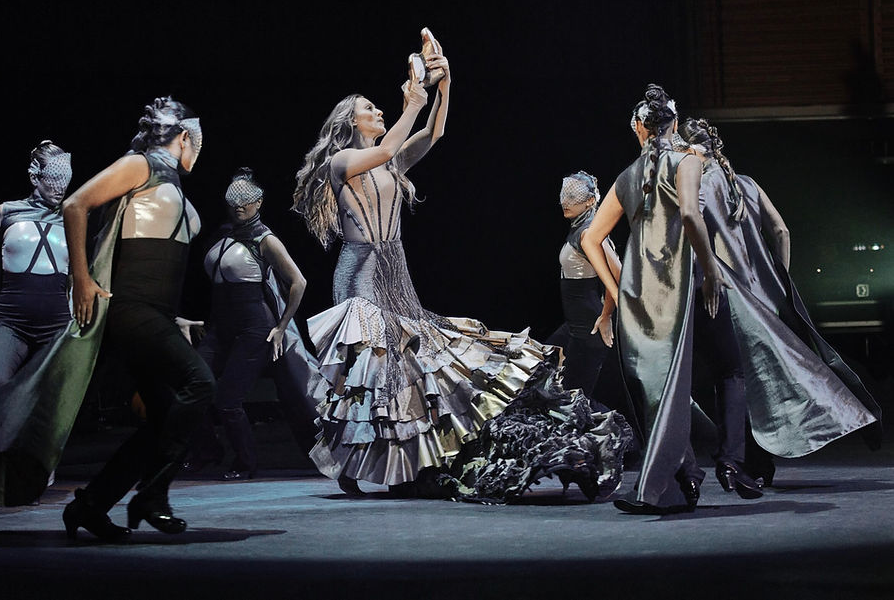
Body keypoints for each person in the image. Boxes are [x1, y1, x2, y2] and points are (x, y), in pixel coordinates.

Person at [291, 40, 561, 497]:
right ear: (351, 122)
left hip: (396, 271)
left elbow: (433, 133)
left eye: (379, 107)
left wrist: (444, 86)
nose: (377, 111)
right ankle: (355, 464)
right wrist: (411, 103)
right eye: (369, 108)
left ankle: (402, 465)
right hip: (360, 274)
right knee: (376, 368)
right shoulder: (344, 162)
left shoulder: (390, 160)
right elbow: (387, 146)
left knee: (409, 365)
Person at [673, 117, 881, 488]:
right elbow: (781, 230)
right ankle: (761, 458)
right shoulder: (746, 185)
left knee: (737, 378)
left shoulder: (698, 185)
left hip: (725, 291)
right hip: (764, 295)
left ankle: (747, 460)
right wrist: (778, 281)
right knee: (775, 375)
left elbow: (693, 227)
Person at [59, 96, 214, 540]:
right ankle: (153, 494)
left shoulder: (171, 184)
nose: (198, 152)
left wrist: (174, 319)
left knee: (163, 418)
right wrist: (82, 279)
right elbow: (76, 205)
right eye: (197, 142)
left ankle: (91, 505)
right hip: (131, 308)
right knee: (200, 384)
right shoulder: (141, 164)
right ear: (186, 137)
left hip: (155, 312)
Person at [581, 83, 740, 515]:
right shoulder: (687, 162)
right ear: (673, 124)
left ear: (638, 129)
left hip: (638, 296)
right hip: (679, 289)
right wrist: (711, 272)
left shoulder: (625, 178)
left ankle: (680, 479)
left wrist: (616, 296)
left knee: (655, 390)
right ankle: (679, 480)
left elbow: (591, 239)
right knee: (683, 383)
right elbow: (690, 215)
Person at [0, 140, 73, 504]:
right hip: (11, 317)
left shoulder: (72, 214)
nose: (60, 186)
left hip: (56, 321)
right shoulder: (7, 212)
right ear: (35, 176)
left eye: (65, 178)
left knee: (46, 400)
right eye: (52, 178)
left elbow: (85, 266)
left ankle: (31, 471)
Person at [184, 167, 321, 479]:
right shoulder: (222, 236)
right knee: (190, 385)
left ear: (259, 203)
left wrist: (282, 326)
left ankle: (246, 462)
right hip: (222, 325)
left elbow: (298, 282)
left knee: (228, 399)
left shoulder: (265, 239)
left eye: (246, 202)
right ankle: (208, 449)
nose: (239, 207)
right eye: (234, 201)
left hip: (255, 326)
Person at [545, 171, 621, 398]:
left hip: (589, 330)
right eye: (564, 195)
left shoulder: (589, 233)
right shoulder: (581, 229)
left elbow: (618, 275)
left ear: (590, 201)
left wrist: (607, 315)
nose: (564, 202)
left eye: (573, 196)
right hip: (575, 326)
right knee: (542, 367)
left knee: (573, 401)